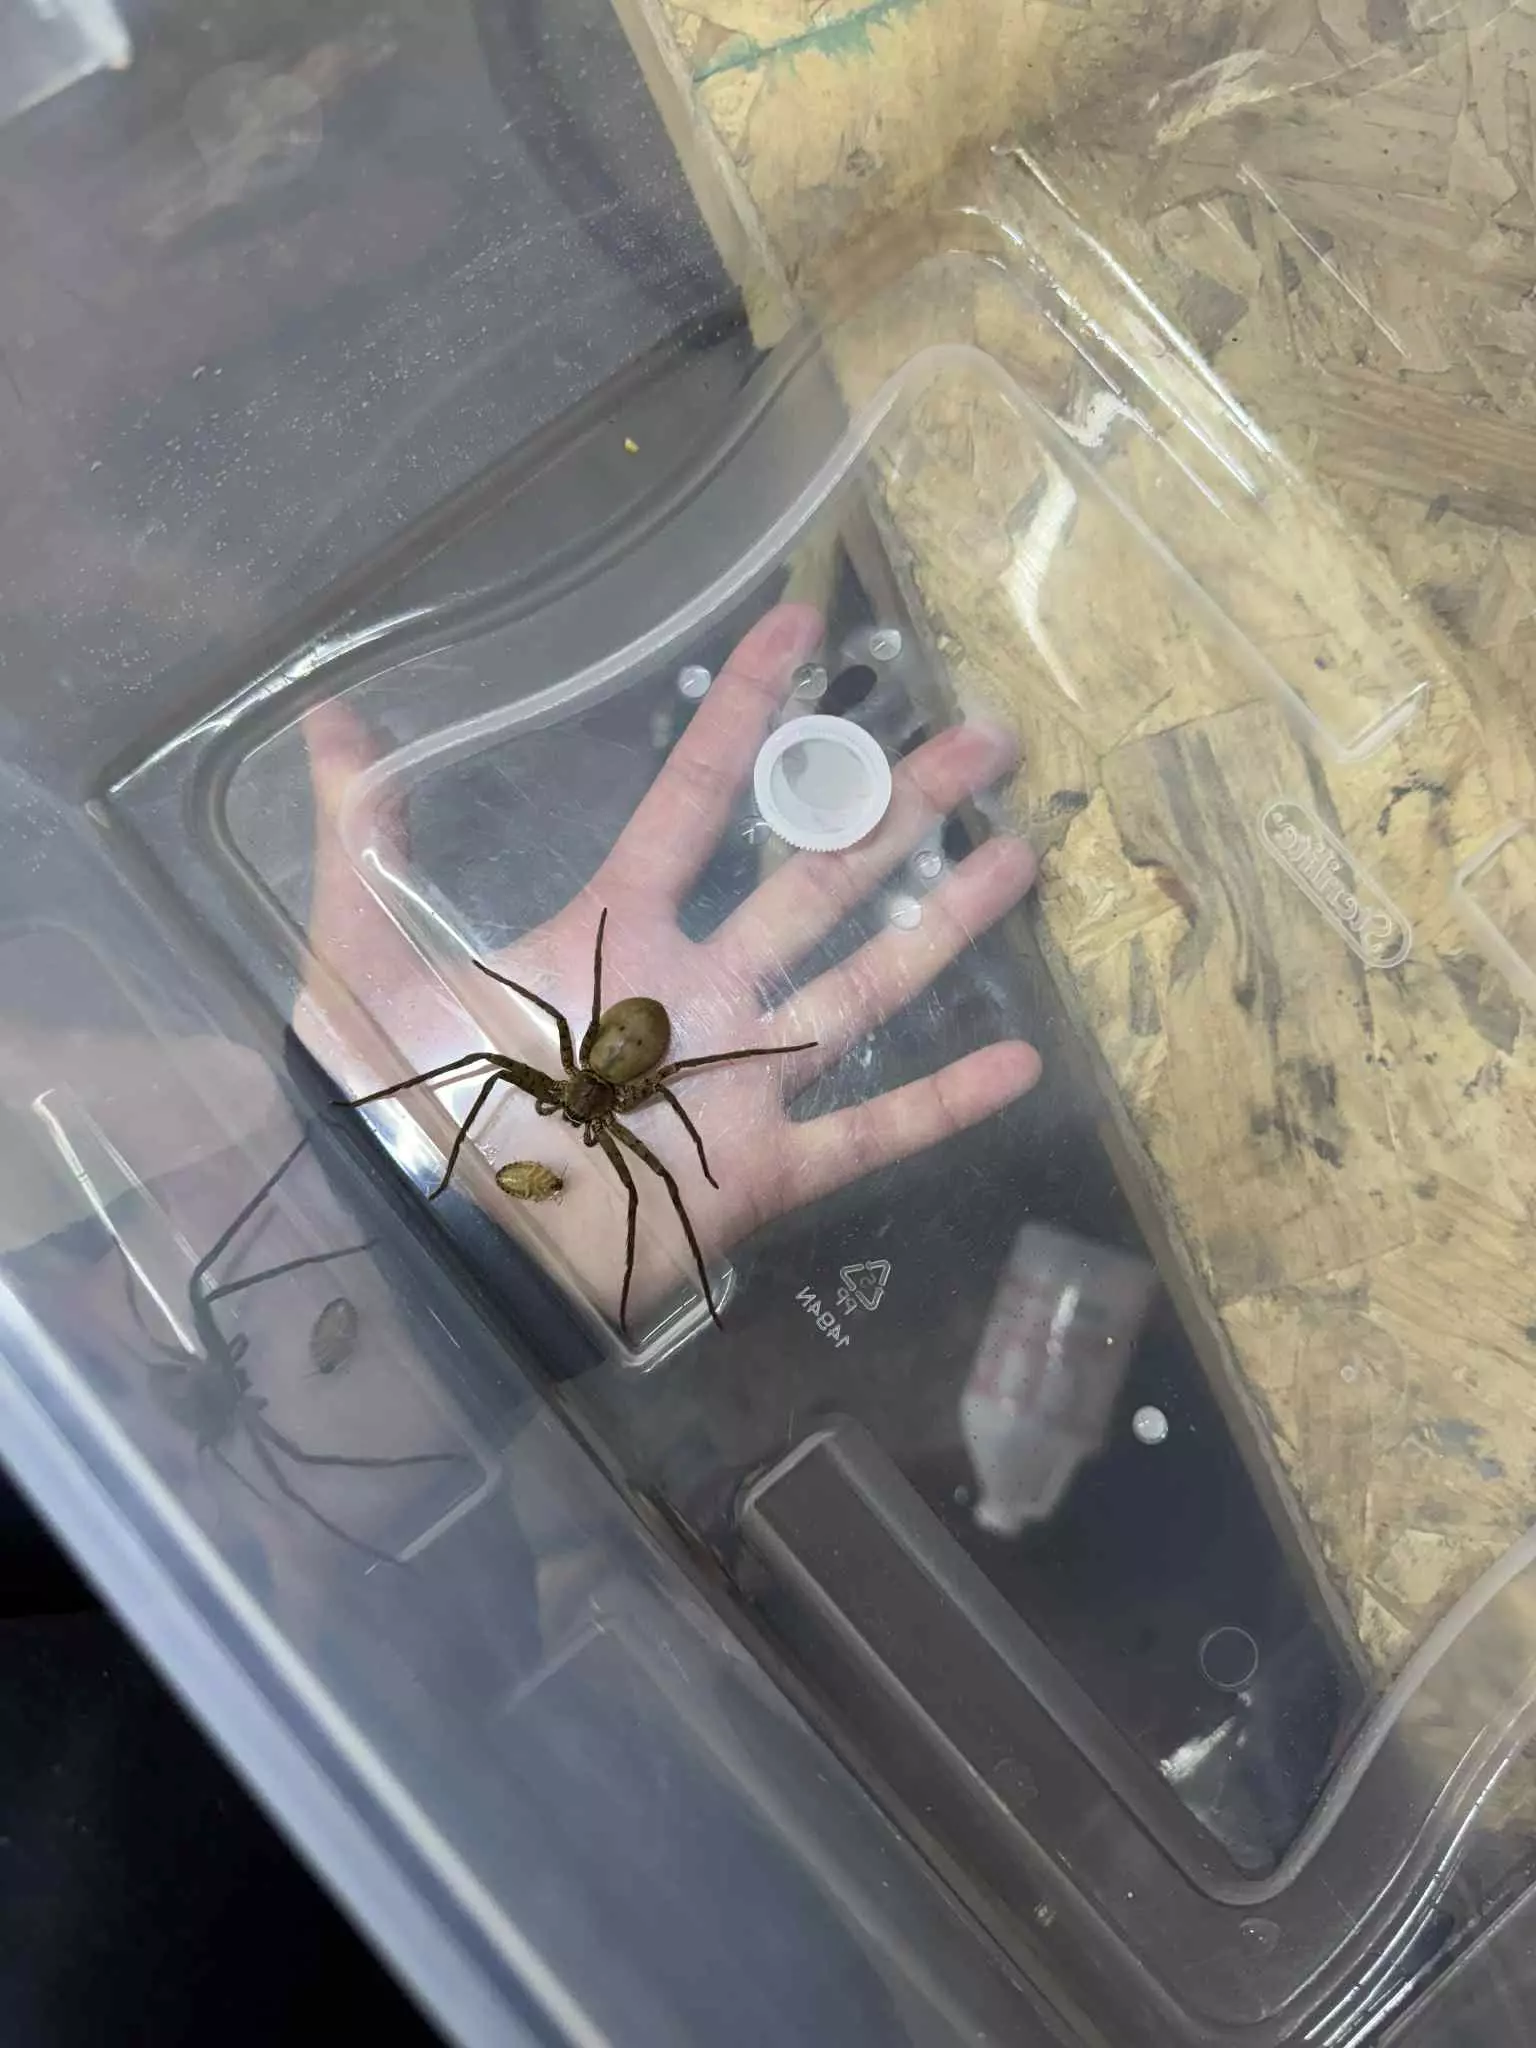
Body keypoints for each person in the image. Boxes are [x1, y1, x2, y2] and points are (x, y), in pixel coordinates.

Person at [298, 601, 1043, 1332]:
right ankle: (607, 1260)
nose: (576, 1119)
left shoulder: (594, 1079)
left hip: (622, 1041)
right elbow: (609, 1083)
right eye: (582, 1114)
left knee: (563, 1110)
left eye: (579, 1111)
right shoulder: (592, 1084)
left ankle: (609, 1260)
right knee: (545, 1101)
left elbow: (632, 1074)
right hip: (615, 1051)